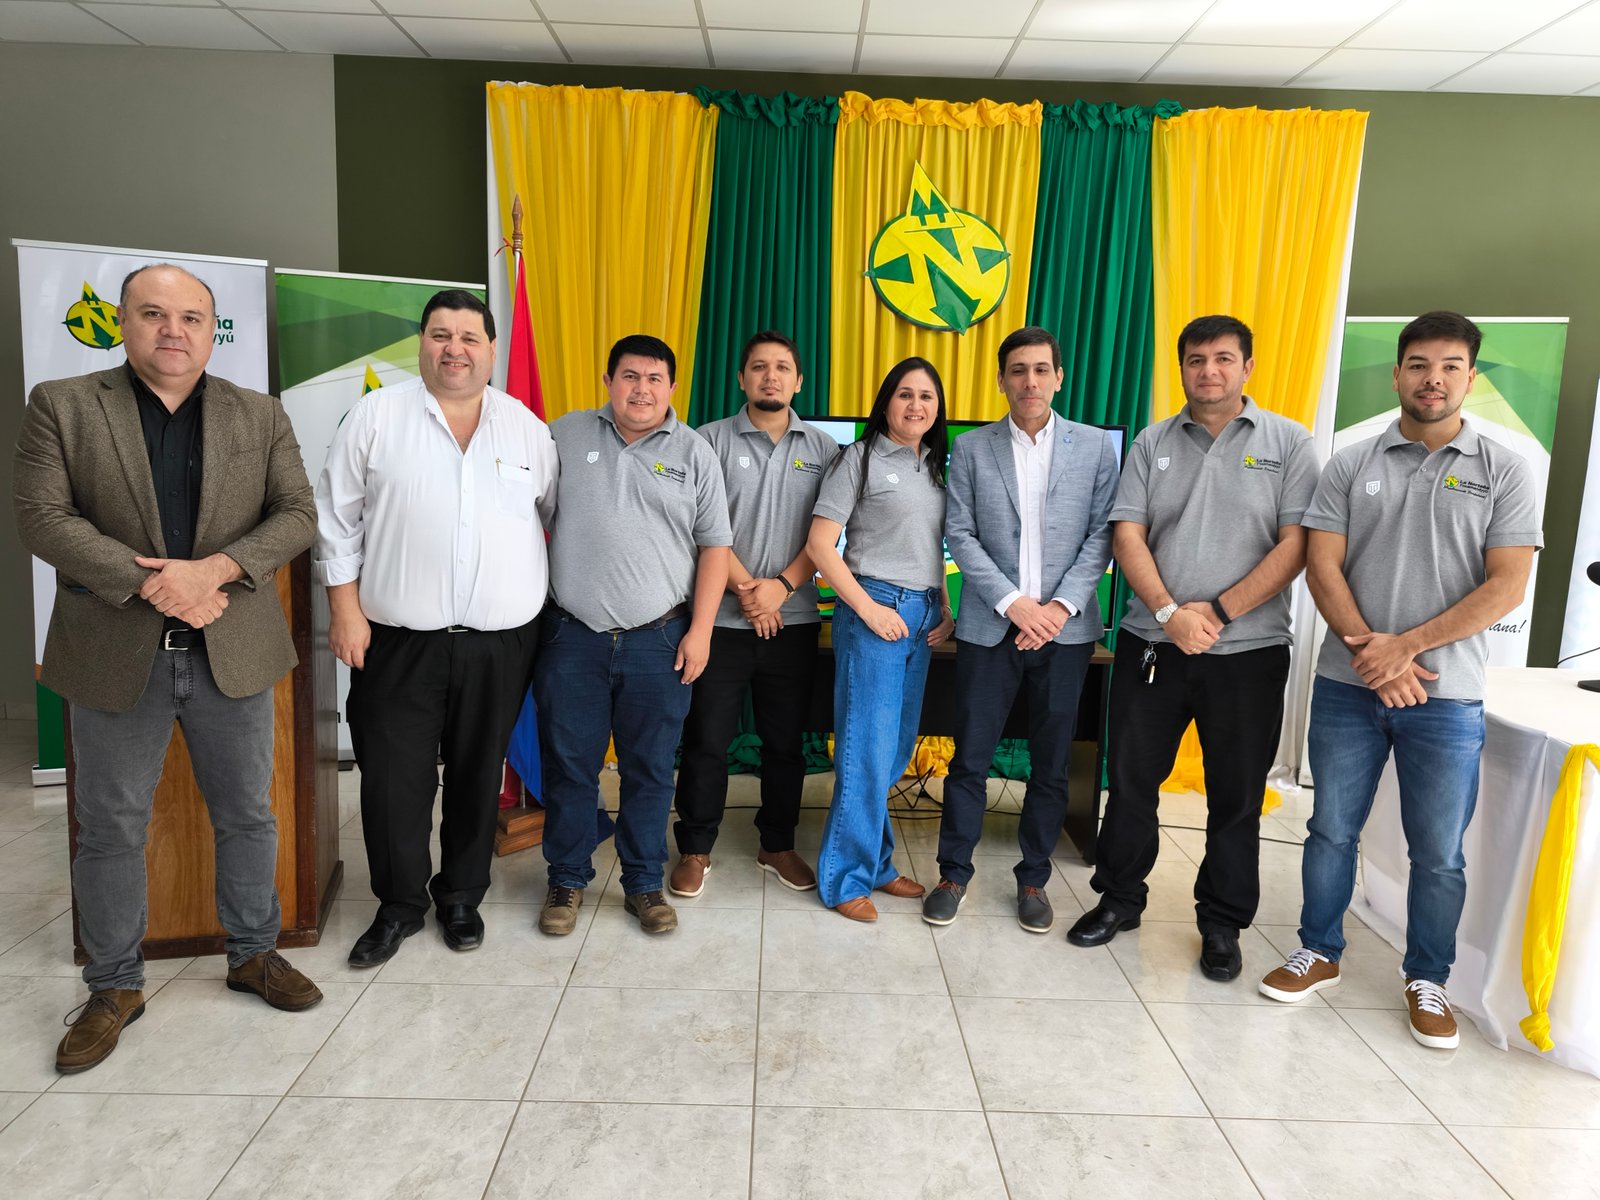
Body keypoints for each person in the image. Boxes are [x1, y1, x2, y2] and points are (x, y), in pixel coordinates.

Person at [14, 263, 321, 1074]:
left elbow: (297, 514)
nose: (173, 330)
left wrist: (213, 570)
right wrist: (157, 582)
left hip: (231, 650)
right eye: (154, 314)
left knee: (247, 814)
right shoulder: (64, 405)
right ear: (124, 322)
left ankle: (254, 954)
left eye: (191, 317)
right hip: (115, 651)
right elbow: (42, 517)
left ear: (212, 330)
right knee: (110, 826)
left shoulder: (260, 414)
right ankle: (113, 984)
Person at [1260, 311, 1540, 1048]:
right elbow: (1322, 565)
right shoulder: (1351, 463)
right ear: (1396, 374)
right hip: (1347, 686)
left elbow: (1506, 586)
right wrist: (1371, 655)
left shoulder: (1506, 469)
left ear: (1471, 378)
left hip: (1447, 697)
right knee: (1330, 829)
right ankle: (1319, 951)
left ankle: (1428, 978)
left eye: (1449, 366)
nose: (1432, 379)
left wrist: (1405, 649)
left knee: (1438, 852)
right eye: (1418, 365)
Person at [1066, 314, 1319, 983]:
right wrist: (1170, 613)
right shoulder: (1152, 443)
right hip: (1153, 644)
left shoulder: (1290, 443)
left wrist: (1221, 610)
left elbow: (1297, 544)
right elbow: (1127, 534)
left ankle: (1222, 924)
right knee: (1130, 784)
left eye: (1223, 358)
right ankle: (1119, 900)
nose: (1209, 370)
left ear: (1248, 367)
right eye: (1196, 359)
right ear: (1181, 367)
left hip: (1250, 651)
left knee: (1236, 796)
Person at [315, 289, 557, 967]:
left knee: (478, 779)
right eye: (441, 335)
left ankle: (461, 897)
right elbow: (335, 519)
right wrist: (344, 609)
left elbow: (554, 518)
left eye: (470, 337)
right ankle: (398, 906)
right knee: (394, 783)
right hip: (396, 641)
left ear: (492, 349)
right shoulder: (375, 417)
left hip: (500, 645)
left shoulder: (527, 429)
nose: (455, 349)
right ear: (421, 343)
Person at [535, 335, 731, 936]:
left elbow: (715, 548)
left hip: (660, 638)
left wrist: (701, 632)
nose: (641, 389)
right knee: (571, 767)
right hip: (573, 636)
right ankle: (567, 879)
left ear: (672, 387)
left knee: (649, 769)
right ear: (608, 380)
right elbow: (527, 516)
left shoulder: (695, 452)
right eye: (629, 376)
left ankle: (644, 883)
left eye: (653, 378)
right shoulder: (563, 435)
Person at [925, 327, 1119, 933]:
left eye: (1040, 370)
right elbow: (959, 533)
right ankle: (953, 874)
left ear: (1058, 377)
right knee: (970, 761)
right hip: (991, 627)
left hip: (1066, 632)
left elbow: (1104, 535)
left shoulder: (1095, 448)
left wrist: (1057, 609)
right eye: (1017, 370)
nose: (1029, 381)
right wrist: (1014, 604)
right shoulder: (972, 449)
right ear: (1002, 379)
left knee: (1052, 765)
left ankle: (1033, 878)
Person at [669, 331, 839, 898]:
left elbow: (827, 537)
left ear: (798, 381)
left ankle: (777, 845)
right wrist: (749, 591)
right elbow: (699, 527)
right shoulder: (707, 440)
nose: (771, 376)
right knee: (707, 741)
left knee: (786, 744)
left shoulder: (825, 450)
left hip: (793, 623)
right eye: (760, 367)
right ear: (742, 378)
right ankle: (695, 848)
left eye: (782, 367)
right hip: (718, 623)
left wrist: (781, 589)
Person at [807, 357, 955, 922]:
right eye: (905, 394)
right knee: (866, 752)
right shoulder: (859, 459)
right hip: (875, 609)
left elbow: (932, 548)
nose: (916, 405)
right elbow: (821, 546)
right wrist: (869, 610)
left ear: (938, 408)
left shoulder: (935, 467)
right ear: (886, 401)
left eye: (927, 396)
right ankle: (845, 879)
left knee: (892, 751)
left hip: (922, 615)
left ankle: (877, 864)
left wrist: (945, 607)